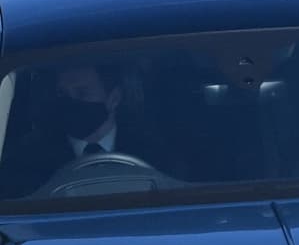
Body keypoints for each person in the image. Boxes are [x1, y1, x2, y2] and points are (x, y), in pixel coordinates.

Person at [0, 63, 177, 197]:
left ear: (114, 99)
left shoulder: (153, 151)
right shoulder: (29, 158)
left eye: (82, 93)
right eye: (63, 94)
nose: (71, 102)